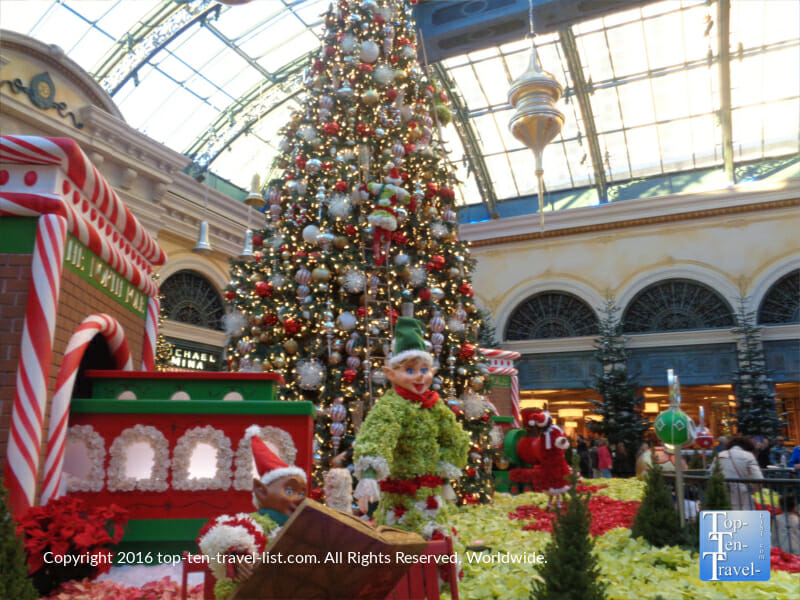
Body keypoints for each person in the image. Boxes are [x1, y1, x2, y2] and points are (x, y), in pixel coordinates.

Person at [352, 317, 470, 538]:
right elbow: (377, 435)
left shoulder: (435, 405)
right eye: (410, 370)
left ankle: (438, 570)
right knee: (403, 538)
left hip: (431, 491)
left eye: (424, 369)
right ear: (391, 374)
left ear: (432, 372)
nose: (419, 376)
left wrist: (444, 475)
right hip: (401, 495)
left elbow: (454, 438)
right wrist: (368, 474)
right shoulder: (392, 405)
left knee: (438, 536)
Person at [198, 429, 307, 598]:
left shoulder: (304, 530)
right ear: (261, 491)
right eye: (290, 490)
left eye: (302, 493)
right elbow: (222, 533)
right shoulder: (254, 524)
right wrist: (235, 552)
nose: (299, 499)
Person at [515, 408, 571, 510]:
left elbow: (559, 439)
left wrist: (560, 441)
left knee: (557, 483)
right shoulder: (543, 435)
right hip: (547, 463)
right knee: (550, 484)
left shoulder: (554, 430)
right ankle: (550, 503)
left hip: (555, 462)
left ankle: (557, 502)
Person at [709, 436, 764, 510]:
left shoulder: (720, 455)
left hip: (721, 493)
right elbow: (759, 478)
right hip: (742, 494)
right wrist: (753, 490)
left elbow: (711, 473)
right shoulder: (748, 456)